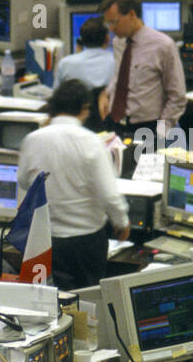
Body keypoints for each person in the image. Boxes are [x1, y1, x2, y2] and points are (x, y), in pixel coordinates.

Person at [18, 79, 129, 290]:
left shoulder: (32, 140)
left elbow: (23, 181)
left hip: (47, 240)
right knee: (87, 305)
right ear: (85, 109)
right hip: (87, 242)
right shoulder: (91, 142)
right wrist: (121, 221)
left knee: (53, 304)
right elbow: (109, 194)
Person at [99, 0, 187, 138]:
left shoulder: (163, 45)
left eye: (114, 22)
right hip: (116, 124)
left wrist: (160, 133)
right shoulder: (119, 42)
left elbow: (177, 97)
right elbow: (120, 77)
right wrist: (106, 93)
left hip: (147, 128)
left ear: (132, 15)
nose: (111, 29)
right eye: (108, 23)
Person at [56, 16, 114, 90]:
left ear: (81, 40)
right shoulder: (118, 62)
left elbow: (56, 95)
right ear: (107, 39)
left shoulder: (65, 63)